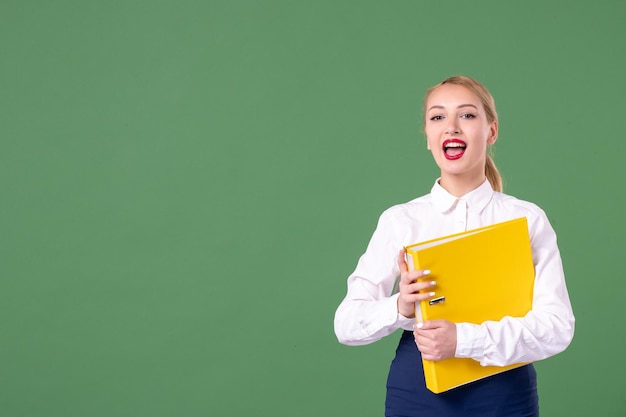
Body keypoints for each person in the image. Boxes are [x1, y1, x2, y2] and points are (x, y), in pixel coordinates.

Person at [334, 75, 575, 417]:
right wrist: (401, 306)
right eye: (437, 117)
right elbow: (346, 324)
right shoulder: (400, 220)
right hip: (417, 391)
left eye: (467, 115)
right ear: (428, 138)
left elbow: (557, 327)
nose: (451, 127)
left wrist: (463, 341)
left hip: (505, 393)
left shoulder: (526, 221)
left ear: (491, 131)